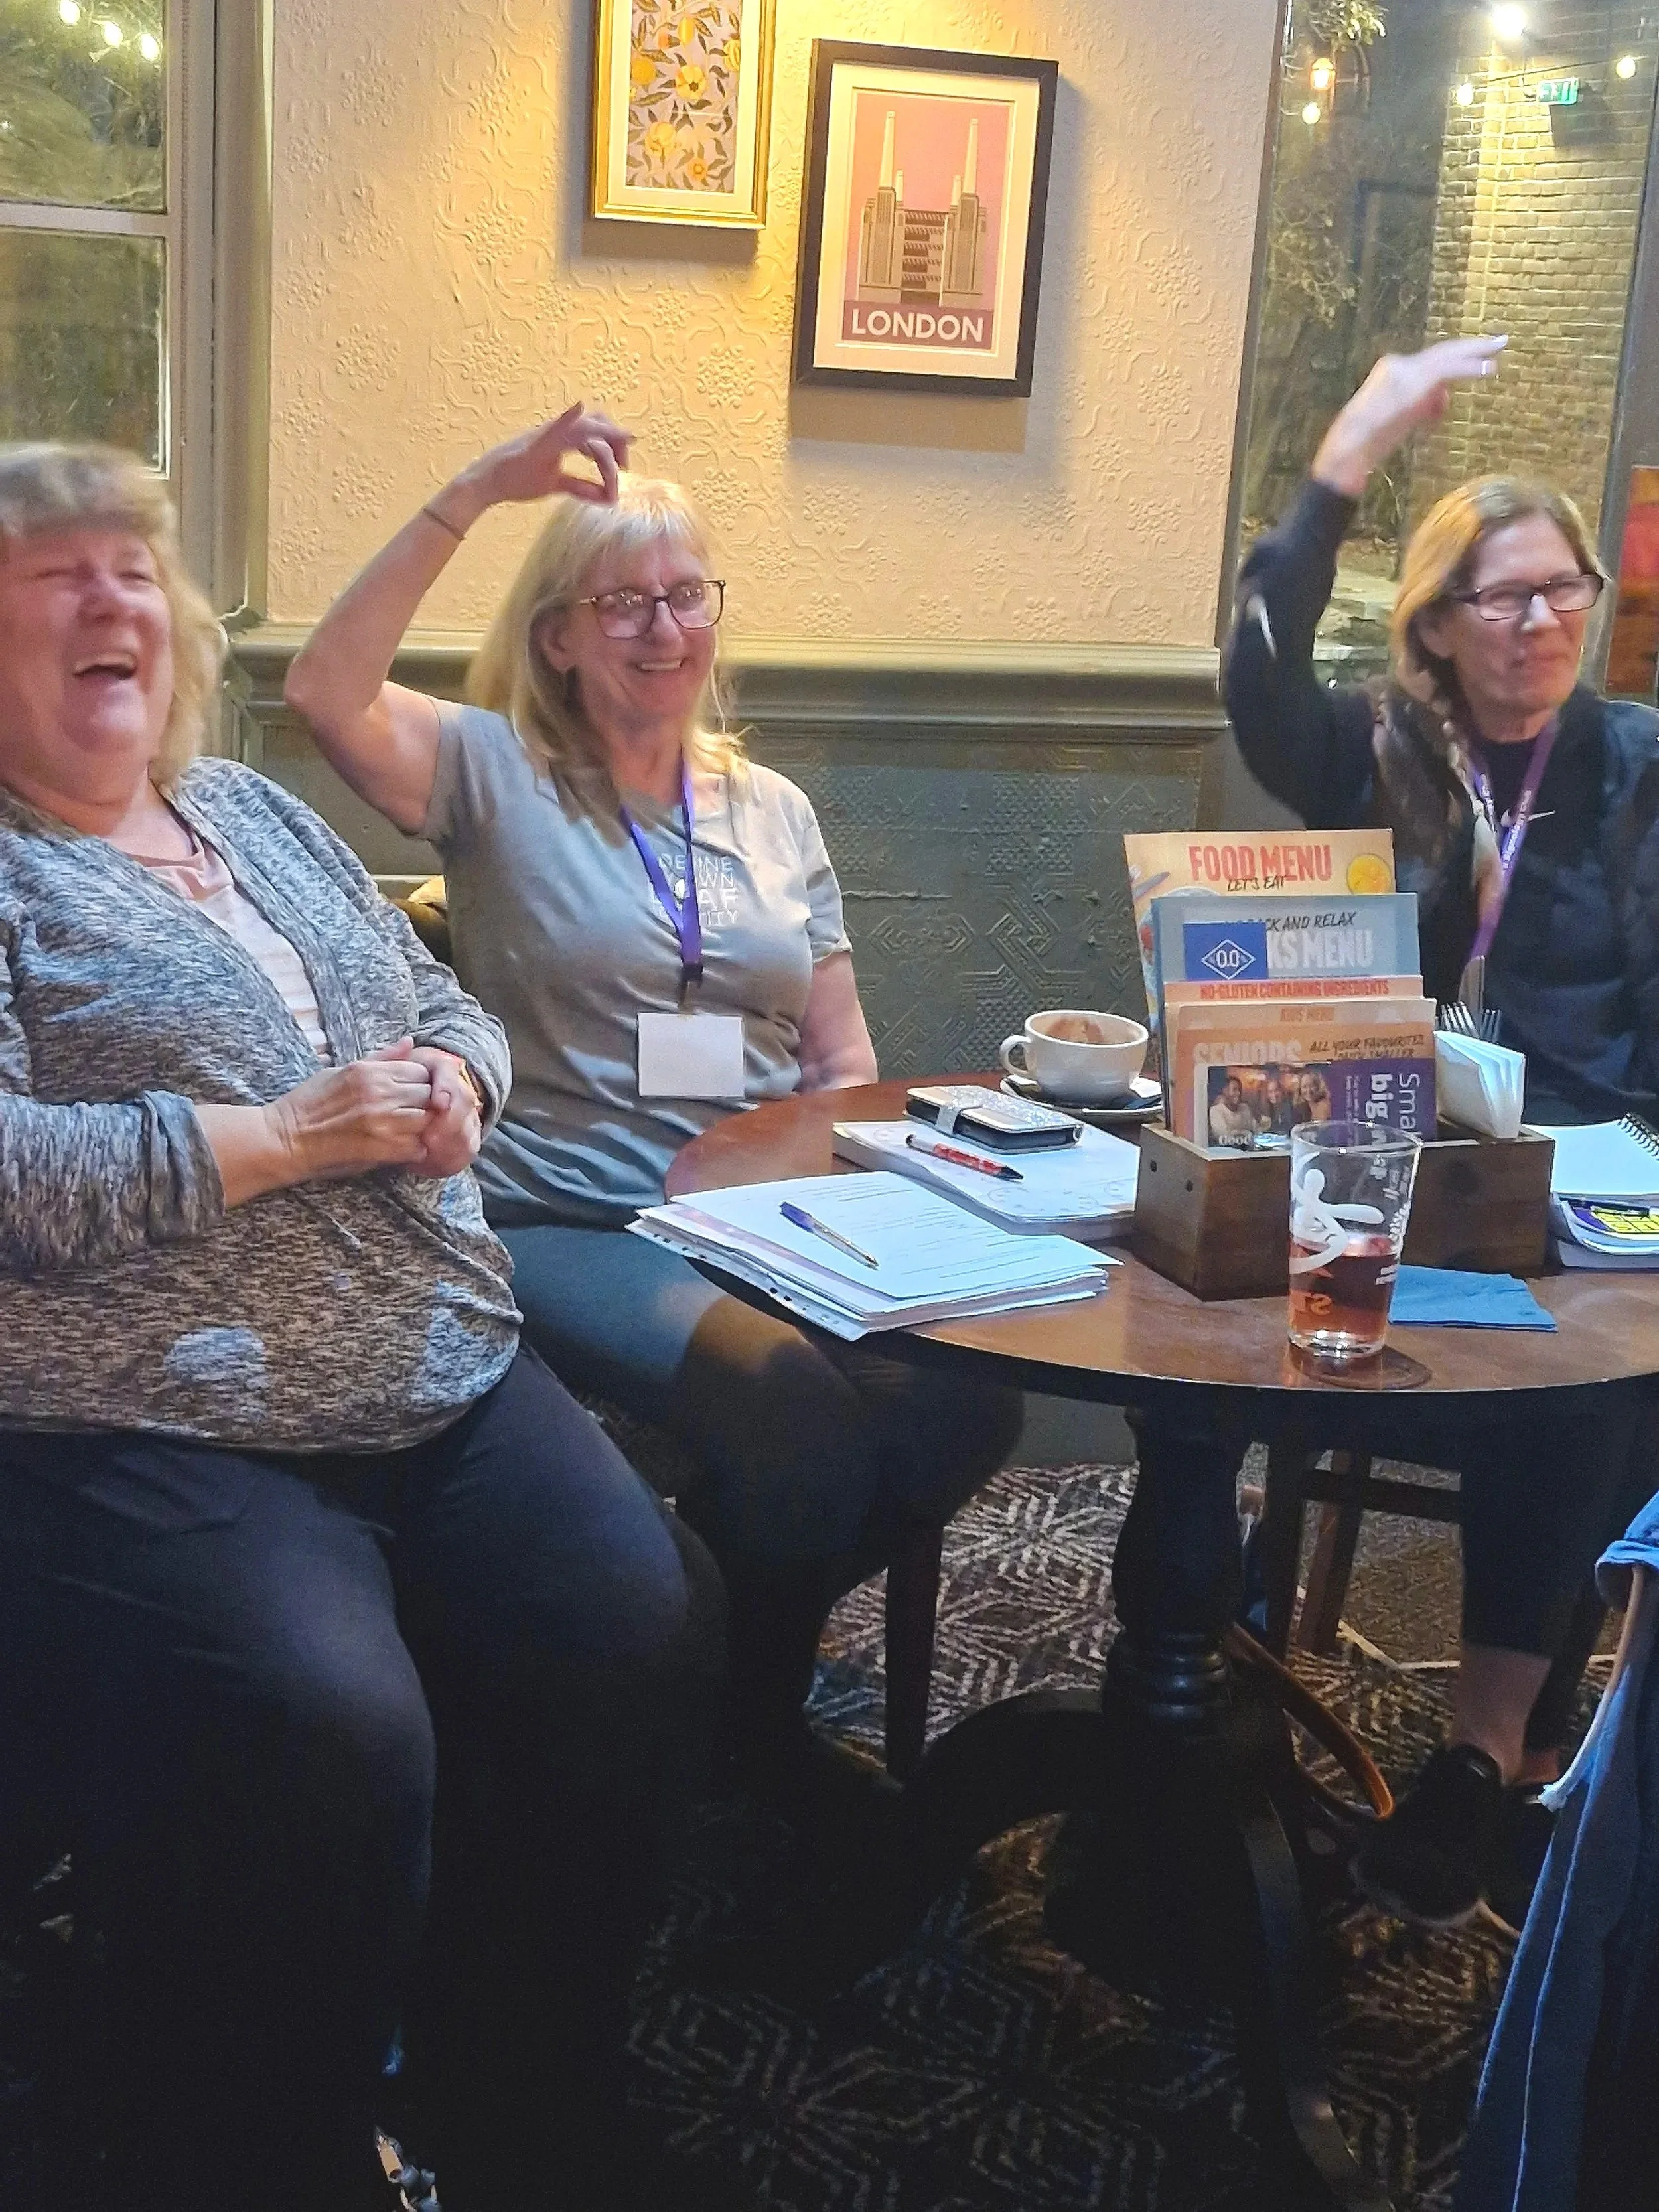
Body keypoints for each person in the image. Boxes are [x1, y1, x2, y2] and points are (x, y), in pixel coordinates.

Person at [0, 441, 723, 2212]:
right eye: (53, 570)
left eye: (131, 567)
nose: (109, 598)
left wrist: (464, 1081)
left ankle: (521, 2084)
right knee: (331, 1726)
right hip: (165, 1419)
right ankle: (283, 2143)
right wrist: (287, 1137)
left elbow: (438, 995)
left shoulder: (249, 816)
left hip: (442, 1362)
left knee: (634, 1624)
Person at [283, 405, 1023, 1818]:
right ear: (558, 634)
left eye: (685, 593)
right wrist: (472, 489)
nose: (663, 627)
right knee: (793, 1414)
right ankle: (740, 1736)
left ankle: (711, 1655)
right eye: (622, 601)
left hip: (766, 1211)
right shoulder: (493, 772)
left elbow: (836, 1047)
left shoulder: (772, 809)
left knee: (963, 1398)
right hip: (567, 1214)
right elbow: (324, 688)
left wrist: (890, 1214)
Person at [1221, 334, 1659, 1932]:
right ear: (1437, 622)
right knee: (1231, 1304)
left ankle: (1482, 1749)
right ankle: (1462, 1731)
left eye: (1561, 591)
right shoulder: (1381, 752)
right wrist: (1346, 454)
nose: (1538, 621)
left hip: (1593, 1173)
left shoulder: (1637, 766)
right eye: (1502, 596)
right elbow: (1255, 675)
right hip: (1383, 1164)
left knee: (1594, 1361)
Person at [1208, 1071, 1257, 1145]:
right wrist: (1246, 1133)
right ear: (1225, 1092)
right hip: (1224, 1150)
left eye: (1239, 1090)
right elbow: (1225, 1134)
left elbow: (1256, 1129)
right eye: (1234, 1090)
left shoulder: (1245, 1108)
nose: (1238, 1093)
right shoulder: (1215, 1111)